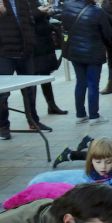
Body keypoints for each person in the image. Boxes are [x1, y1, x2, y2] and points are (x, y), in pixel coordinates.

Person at [0, 0, 47, 140]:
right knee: (3, 93)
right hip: (4, 53)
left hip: (25, 51)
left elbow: (29, 20)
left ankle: (33, 121)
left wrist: (31, 41)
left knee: (30, 89)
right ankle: (3, 126)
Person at [62, 0, 112, 125]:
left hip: (75, 51)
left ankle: (80, 114)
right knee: (92, 84)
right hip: (93, 52)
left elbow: (65, 26)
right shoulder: (97, 11)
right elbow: (108, 34)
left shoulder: (67, 6)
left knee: (80, 83)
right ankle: (94, 115)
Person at [31, 0, 67, 117]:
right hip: (35, 46)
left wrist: (47, 11)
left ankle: (51, 105)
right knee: (32, 81)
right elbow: (28, 18)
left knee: (46, 77)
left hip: (44, 44)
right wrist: (40, 11)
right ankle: (32, 113)